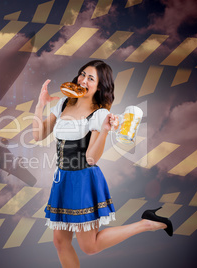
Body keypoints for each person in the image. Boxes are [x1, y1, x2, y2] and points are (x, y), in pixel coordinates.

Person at [32, 60, 173, 268]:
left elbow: (90, 158)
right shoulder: (64, 102)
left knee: (90, 246)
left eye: (91, 78)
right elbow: (38, 134)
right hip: (62, 179)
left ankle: (147, 223)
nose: (83, 80)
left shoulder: (99, 114)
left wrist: (105, 130)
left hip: (83, 180)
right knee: (60, 242)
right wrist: (40, 104)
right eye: (82, 74)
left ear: (100, 86)